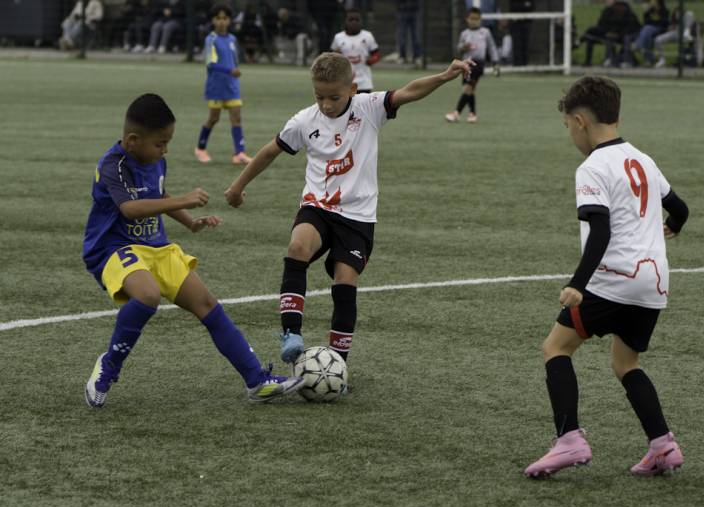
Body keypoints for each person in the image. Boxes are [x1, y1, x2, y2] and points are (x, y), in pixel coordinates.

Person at [224, 53, 473, 367]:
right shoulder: (304, 121)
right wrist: (237, 185)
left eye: (334, 97)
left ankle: (337, 365)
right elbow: (271, 150)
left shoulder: (369, 108)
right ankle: (291, 334)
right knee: (298, 245)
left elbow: (410, 91)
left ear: (353, 88)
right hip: (318, 206)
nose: (326, 104)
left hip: (358, 216)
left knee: (344, 282)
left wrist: (444, 75)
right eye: (319, 96)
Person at [82, 93, 302, 408]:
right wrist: (183, 200)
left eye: (167, 142)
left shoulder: (155, 159)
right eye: (160, 143)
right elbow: (130, 208)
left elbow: (158, 193)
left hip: (156, 247)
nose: (165, 149)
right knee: (147, 296)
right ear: (132, 140)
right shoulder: (113, 165)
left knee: (207, 304)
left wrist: (190, 223)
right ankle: (108, 367)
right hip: (113, 248)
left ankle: (256, 380)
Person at [523, 76, 690, 478]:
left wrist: (577, 284)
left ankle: (569, 440)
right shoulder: (643, 158)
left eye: (567, 127)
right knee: (625, 361)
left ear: (579, 121)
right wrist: (673, 226)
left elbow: (600, 230)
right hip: (654, 282)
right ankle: (663, 445)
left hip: (613, 278)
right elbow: (680, 208)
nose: (570, 135)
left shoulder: (593, 167)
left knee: (556, 348)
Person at [195, 4, 252, 166]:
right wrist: (230, 70)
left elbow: (234, 61)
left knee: (237, 118)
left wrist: (234, 73)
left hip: (232, 86)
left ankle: (239, 153)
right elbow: (210, 64)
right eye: (218, 18)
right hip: (216, 87)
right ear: (213, 20)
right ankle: (200, 148)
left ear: (229, 21)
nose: (221, 22)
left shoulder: (233, 39)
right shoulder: (211, 39)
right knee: (213, 118)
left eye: (225, 18)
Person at [445, 8, 499, 124]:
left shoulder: (485, 32)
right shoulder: (464, 34)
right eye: (472, 19)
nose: (474, 21)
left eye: (477, 19)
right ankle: (472, 114)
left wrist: (495, 62)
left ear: (480, 20)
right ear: (467, 19)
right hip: (465, 64)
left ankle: (456, 113)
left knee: (468, 88)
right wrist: (464, 47)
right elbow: (459, 48)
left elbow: (492, 47)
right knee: (469, 90)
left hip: (478, 64)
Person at [331, 9, 380, 93]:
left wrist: (371, 60)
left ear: (361, 21)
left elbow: (376, 53)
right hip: (345, 82)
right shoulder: (338, 37)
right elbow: (331, 56)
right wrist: (336, 56)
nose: (354, 22)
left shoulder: (367, 36)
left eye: (357, 20)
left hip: (364, 82)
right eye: (351, 20)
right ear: (345, 21)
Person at [580, 0, 640, 67]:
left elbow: (630, 25)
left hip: (623, 35)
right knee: (591, 34)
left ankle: (622, 60)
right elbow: (601, 24)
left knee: (613, 38)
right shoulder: (607, 11)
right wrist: (608, 32)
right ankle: (589, 60)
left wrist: (617, 34)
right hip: (609, 33)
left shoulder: (624, 9)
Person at [631, 0, 669, 66]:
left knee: (647, 29)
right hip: (649, 30)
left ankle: (638, 46)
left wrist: (653, 22)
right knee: (648, 36)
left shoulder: (664, 10)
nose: (651, 3)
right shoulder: (650, 10)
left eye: (653, 1)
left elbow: (664, 23)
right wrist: (648, 11)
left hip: (660, 28)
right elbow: (645, 21)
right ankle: (648, 60)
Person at [394, 0, 421, 65]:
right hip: (402, 10)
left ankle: (417, 57)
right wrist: (399, 5)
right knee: (401, 36)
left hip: (414, 11)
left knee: (416, 36)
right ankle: (402, 56)